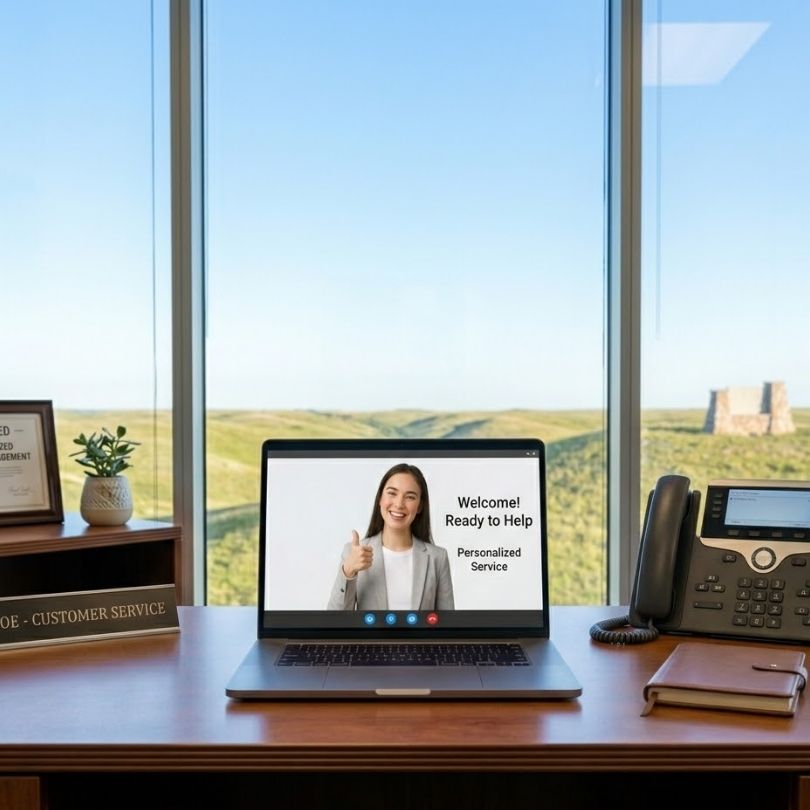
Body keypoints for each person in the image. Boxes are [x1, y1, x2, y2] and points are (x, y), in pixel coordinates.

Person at [327, 463, 455, 611]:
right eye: (392, 493)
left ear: (420, 506)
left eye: (410, 497)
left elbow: (448, 626)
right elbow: (335, 620)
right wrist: (348, 572)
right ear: (380, 498)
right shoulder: (354, 552)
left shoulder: (437, 558)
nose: (399, 504)